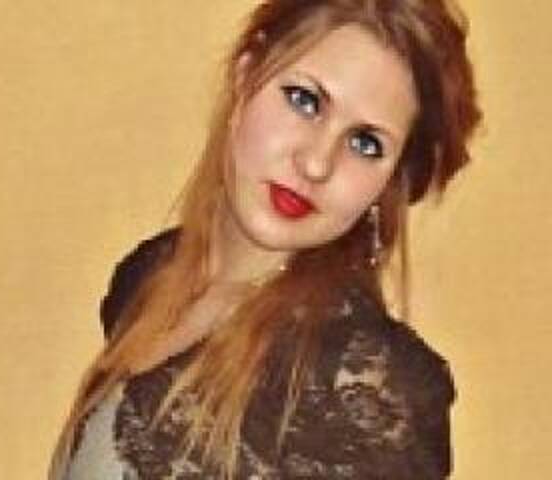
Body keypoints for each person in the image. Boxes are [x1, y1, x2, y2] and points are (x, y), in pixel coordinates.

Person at [50, 0, 481, 478]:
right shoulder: (152, 277)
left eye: (365, 143)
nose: (316, 163)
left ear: (388, 183)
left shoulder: (370, 383)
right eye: (305, 100)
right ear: (245, 78)